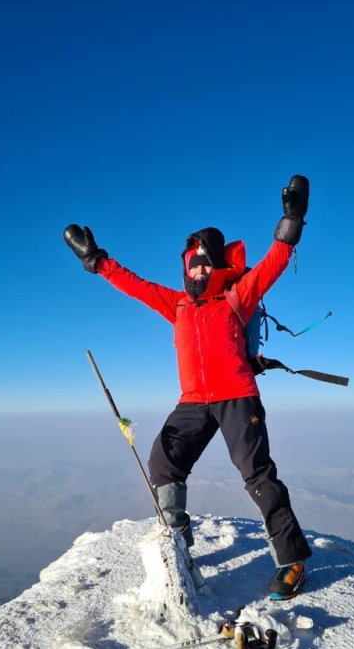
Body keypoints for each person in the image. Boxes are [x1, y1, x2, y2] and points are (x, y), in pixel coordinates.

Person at [63, 175, 313, 600]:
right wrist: (97, 261)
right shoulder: (177, 304)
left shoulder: (235, 299)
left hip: (237, 396)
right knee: (163, 462)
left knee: (257, 474)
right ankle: (179, 545)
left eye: (204, 263)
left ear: (216, 267)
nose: (197, 270)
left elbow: (273, 263)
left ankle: (292, 561)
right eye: (191, 264)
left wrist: (291, 221)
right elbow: (135, 285)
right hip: (194, 402)